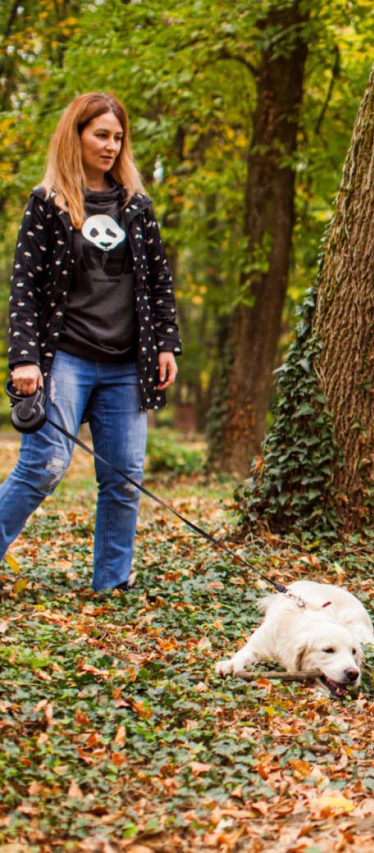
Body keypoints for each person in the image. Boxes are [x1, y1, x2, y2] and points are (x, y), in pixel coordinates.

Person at [0, 92, 182, 591]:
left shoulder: (136, 206)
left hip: (127, 363)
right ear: (76, 136)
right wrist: (24, 358)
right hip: (66, 358)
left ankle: (112, 583)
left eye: (118, 137)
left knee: (124, 479)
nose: (110, 146)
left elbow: (159, 281)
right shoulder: (47, 203)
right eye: (101, 135)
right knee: (44, 465)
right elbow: (24, 287)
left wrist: (166, 344)